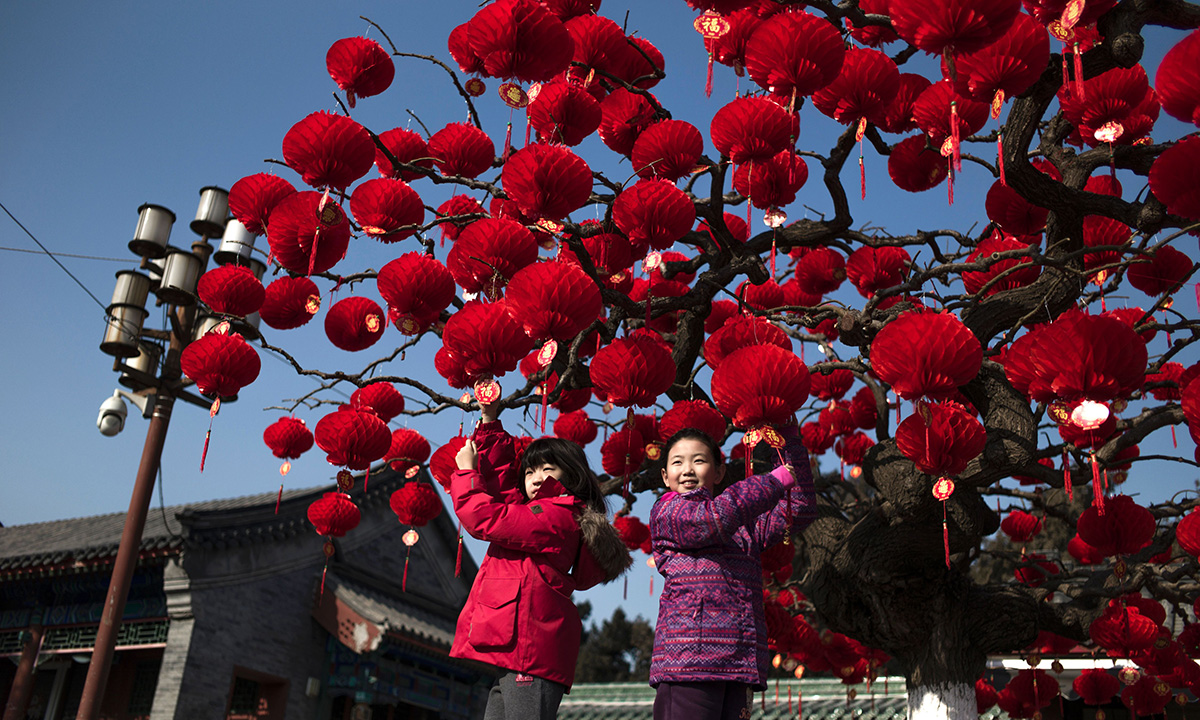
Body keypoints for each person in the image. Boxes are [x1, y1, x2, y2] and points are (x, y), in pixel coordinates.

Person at [450, 400, 632, 720]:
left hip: (531, 656)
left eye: (548, 469)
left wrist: (466, 472)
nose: (536, 477)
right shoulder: (540, 512)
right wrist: (489, 422)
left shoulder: (558, 515)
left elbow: (486, 518)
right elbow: (504, 490)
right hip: (520, 655)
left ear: (572, 475)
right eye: (531, 470)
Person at [649, 425, 816, 720]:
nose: (687, 469)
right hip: (689, 665)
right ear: (665, 476)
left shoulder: (745, 526)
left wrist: (787, 440)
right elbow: (709, 520)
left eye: (699, 460)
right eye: (677, 462)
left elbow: (798, 508)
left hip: (738, 663)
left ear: (719, 472)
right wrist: (773, 482)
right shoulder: (667, 512)